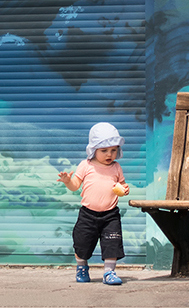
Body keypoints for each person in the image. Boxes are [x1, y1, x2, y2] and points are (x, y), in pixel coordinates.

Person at [57, 121, 130, 285]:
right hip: (88, 214)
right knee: (81, 244)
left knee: (112, 243)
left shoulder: (116, 167)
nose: (109, 154)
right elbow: (75, 186)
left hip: (110, 214)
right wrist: (68, 181)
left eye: (113, 150)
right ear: (93, 149)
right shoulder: (86, 165)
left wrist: (125, 189)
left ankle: (109, 272)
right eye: (104, 151)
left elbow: (122, 185)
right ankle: (82, 267)